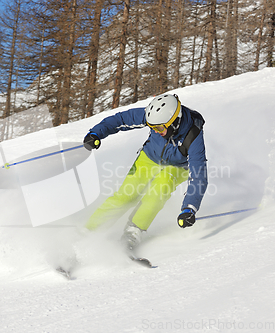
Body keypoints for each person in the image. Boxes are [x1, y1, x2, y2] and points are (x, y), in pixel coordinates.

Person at [82, 94, 208, 251]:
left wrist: (189, 208)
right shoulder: (155, 116)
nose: (156, 131)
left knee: (158, 192)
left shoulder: (193, 134)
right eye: (152, 128)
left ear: (174, 122)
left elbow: (199, 175)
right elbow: (120, 119)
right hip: (149, 157)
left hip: (176, 167)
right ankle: (88, 232)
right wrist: (96, 133)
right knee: (126, 195)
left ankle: (132, 232)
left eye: (160, 128)